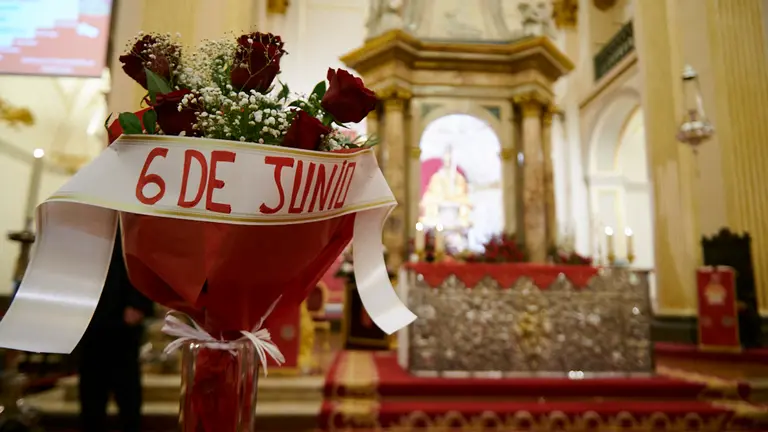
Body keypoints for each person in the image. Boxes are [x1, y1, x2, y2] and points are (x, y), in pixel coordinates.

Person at [77, 227, 153, 432]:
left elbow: (143, 258)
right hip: (89, 315)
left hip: (123, 315)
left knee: (126, 388)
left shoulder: (129, 221)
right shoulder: (83, 222)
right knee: (91, 389)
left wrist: (138, 303)